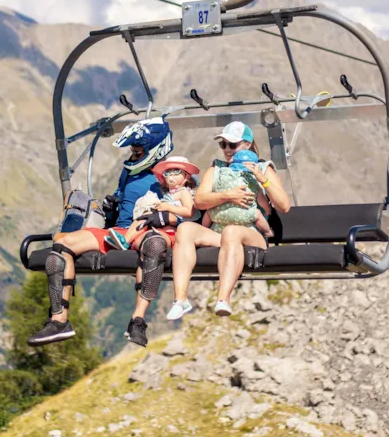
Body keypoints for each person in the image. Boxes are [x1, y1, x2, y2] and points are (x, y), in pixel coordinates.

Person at [27, 117, 175, 348]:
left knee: (154, 246)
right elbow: (121, 202)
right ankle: (59, 321)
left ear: (154, 150)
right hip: (118, 231)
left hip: (148, 229)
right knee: (61, 245)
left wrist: (164, 216)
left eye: (137, 152)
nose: (133, 156)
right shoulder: (128, 172)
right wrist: (113, 206)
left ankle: (138, 321)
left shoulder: (173, 171)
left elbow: (191, 207)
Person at [195, 121, 290, 317]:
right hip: (219, 234)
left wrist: (261, 179)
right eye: (223, 145)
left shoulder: (263, 168)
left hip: (251, 234)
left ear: (247, 145)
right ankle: (179, 300)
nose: (227, 150)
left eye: (233, 145)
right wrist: (227, 196)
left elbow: (284, 206)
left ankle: (223, 298)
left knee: (232, 232)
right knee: (188, 230)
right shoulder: (216, 169)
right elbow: (200, 201)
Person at [106, 156, 200, 250]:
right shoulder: (169, 193)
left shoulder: (184, 192)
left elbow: (189, 211)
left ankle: (126, 241)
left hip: (178, 224)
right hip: (165, 221)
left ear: (186, 176)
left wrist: (168, 207)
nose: (171, 176)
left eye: (176, 171)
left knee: (147, 219)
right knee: (145, 216)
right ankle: (126, 239)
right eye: (167, 172)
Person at [201, 149, 273, 238]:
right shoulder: (251, 180)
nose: (227, 148)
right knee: (257, 214)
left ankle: (203, 229)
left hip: (218, 214)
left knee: (209, 212)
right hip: (242, 215)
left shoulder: (222, 176)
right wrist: (267, 211)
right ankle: (268, 232)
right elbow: (262, 200)